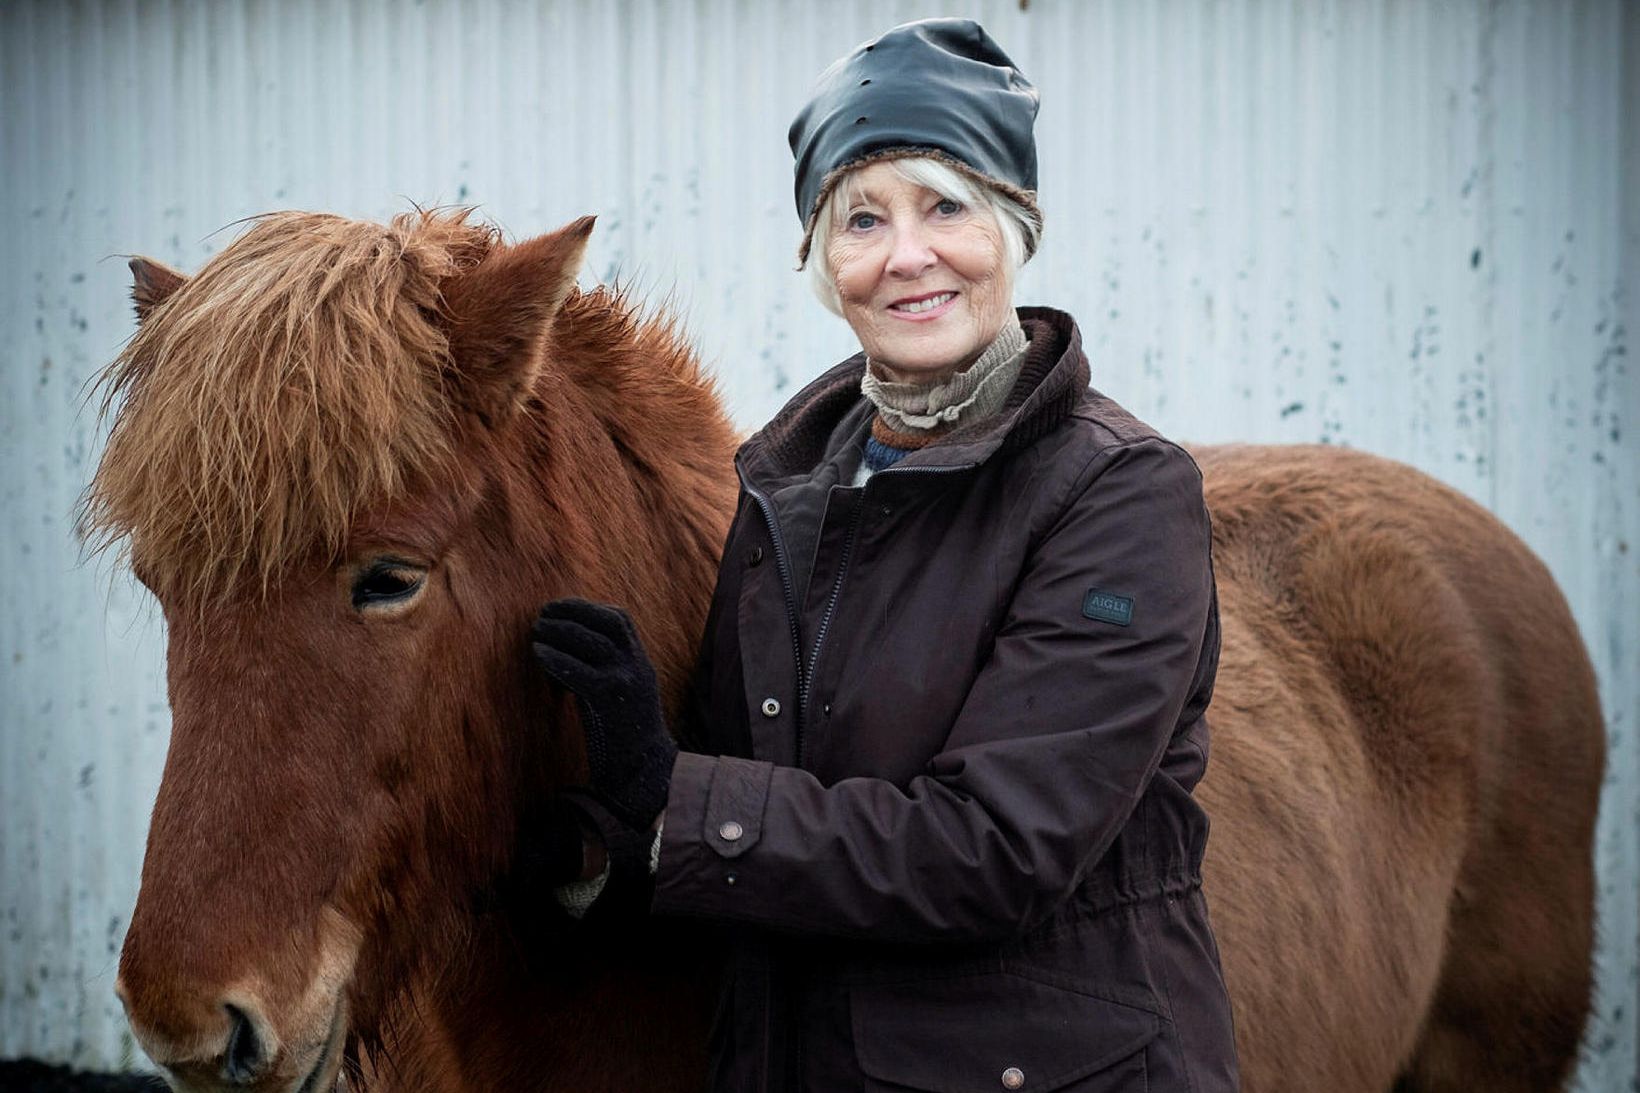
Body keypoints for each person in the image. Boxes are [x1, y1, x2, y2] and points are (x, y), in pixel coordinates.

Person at [528, 18, 1239, 1091]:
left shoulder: (1119, 492)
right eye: (861, 218)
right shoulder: (785, 490)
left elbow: (997, 851)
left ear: (1009, 228)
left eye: (945, 205)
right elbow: (765, 819)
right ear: (824, 264)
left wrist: (674, 795)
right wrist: (607, 843)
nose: (907, 255)